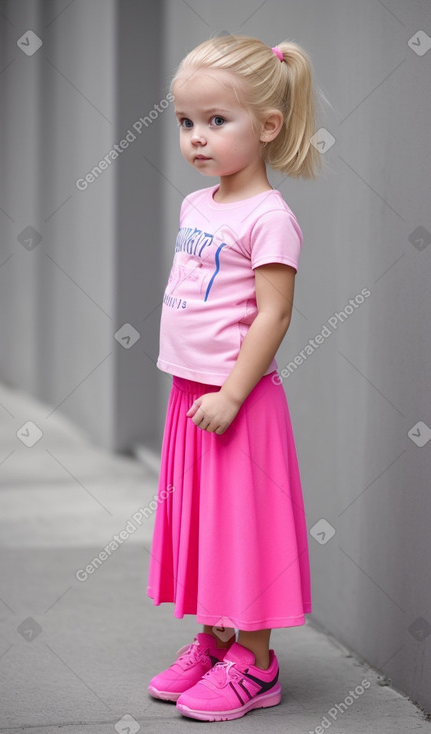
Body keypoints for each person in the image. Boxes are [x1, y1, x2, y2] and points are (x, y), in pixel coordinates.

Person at [146, 33, 322, 722]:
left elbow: (273, 315)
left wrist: (232, 393)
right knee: (205, 528)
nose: (196, 138)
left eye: (217, 121)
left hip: (236, 403)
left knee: (243, 530)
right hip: (191, 395)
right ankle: (217, 640)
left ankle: (256, 662)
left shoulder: (270, 217)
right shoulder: (199, 206)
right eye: (186, 123)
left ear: (268, 126)